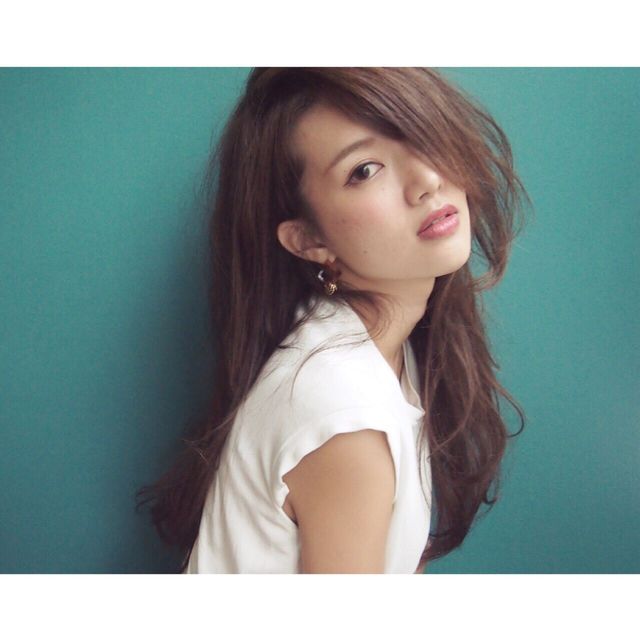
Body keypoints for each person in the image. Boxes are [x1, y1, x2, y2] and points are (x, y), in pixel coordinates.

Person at [136, 67, 531, 573]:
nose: (427, 180)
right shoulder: (346, 417)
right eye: (364, 170)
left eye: (420, 132)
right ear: (309, 241)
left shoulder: (371, 345)